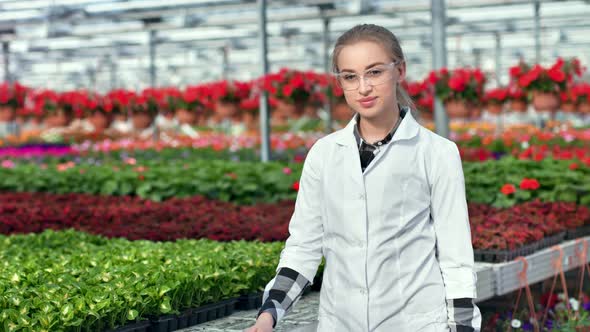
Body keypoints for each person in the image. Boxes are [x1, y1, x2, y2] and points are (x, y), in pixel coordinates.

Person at [246, 24, 480, 332]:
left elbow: (456, 257)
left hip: (416, 322)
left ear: (400, 71)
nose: (363, 87)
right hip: (339, 322)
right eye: (350, 76)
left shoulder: (437, 153)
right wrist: (268, 316)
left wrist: (463, 327)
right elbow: (303, 247)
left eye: (374, 72)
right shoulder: (324, 154)